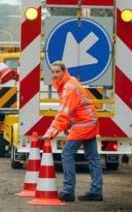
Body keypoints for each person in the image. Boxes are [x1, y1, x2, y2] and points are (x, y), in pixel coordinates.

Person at [42, 61, 103, 202]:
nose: (55, 75)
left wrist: (51, 132)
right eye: (53, 72)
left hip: (84, 123)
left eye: (58, 72)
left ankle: (68, 191)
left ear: (64, 71)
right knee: (92, 157)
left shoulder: (68, 88)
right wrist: (67, 125)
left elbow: (64, 112)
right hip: (88, 121)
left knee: (67, 154)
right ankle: (96, 191)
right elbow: (72, 110)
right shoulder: (68, 83)